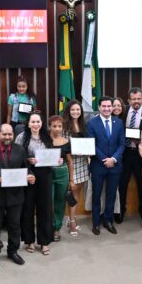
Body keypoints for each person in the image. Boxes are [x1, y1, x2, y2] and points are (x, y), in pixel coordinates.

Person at [0, 124, 35, 268]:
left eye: (9, 134)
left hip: (16, 194)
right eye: (4, 134)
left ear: (13, 135)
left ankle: (13, 251)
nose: (7, 137)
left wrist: (30, 175)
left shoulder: (20, 149)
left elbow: (26, 167)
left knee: (15, 225)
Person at [19, 112, 58, 255]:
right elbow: (17, 157)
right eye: (33, 122)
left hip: (45, 175)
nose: (36, 124)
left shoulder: (47, 136)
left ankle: (44, 241)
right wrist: (29, 160)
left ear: (42, 123)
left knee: (45, 209)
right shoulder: (21, 137)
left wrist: (57, 161)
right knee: (28, 208)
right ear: (28, 123)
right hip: (29, 175)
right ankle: (29, 241)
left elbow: (51, 156)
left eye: (38, 122)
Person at [86, 96, 125, 235]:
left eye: (110, 106)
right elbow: (92, 145)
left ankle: (108, 221)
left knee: (111, 195)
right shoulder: (92, 123)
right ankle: (96, 223)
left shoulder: (119, 122)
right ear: (99, 107)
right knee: (96, 195)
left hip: (115, 166)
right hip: (98, 165)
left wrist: (113, 158)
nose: (107, 109)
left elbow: (122, 144)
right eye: (104, 106)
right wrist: (105, 159)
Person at [118, 87, 142, 224]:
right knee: (122, 184)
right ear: (129, 100)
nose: (136, 101)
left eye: (139, 98)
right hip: (125, 153)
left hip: (141, 155)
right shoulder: (122, 111)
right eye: (133, 99)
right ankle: (121, 211)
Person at [62, 100, 88, 235]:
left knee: (77, 193)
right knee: (72, 193)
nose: (75, 112)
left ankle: (72, 218)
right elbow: (65, 148)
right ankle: (72, 222)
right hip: (71, 162)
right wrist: (71, 154)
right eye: (73, 110)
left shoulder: (83, 124)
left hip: (83, 163)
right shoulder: (65, 126)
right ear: (68, 111)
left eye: (78, 110)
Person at [50, 115, 71, 241]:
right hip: (47, 173)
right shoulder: (44, 140)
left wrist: (71, 180)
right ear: (49, 126)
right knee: (48, 202)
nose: (57, 129)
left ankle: (57, 228)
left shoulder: (66, 142)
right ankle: (48, 227)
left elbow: (70, 162)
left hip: (62, 174)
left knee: (60, 202)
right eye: (54, 126)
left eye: (59, 126)